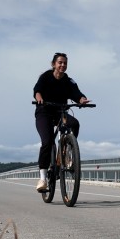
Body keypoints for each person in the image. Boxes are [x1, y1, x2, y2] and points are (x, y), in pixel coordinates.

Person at [33, 52, 91, 192]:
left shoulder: (68, 81)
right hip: (44, 111)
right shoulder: (46, 77)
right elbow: (37, 90)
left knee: (74, 124)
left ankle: (65, 154)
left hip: (60, 112)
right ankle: (43, 178)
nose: (63, 65)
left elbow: (76, 93)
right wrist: (39, 98)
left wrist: (82, 99)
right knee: (47, 142)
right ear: (53, 64)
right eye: (60, 62)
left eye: (65, 63)